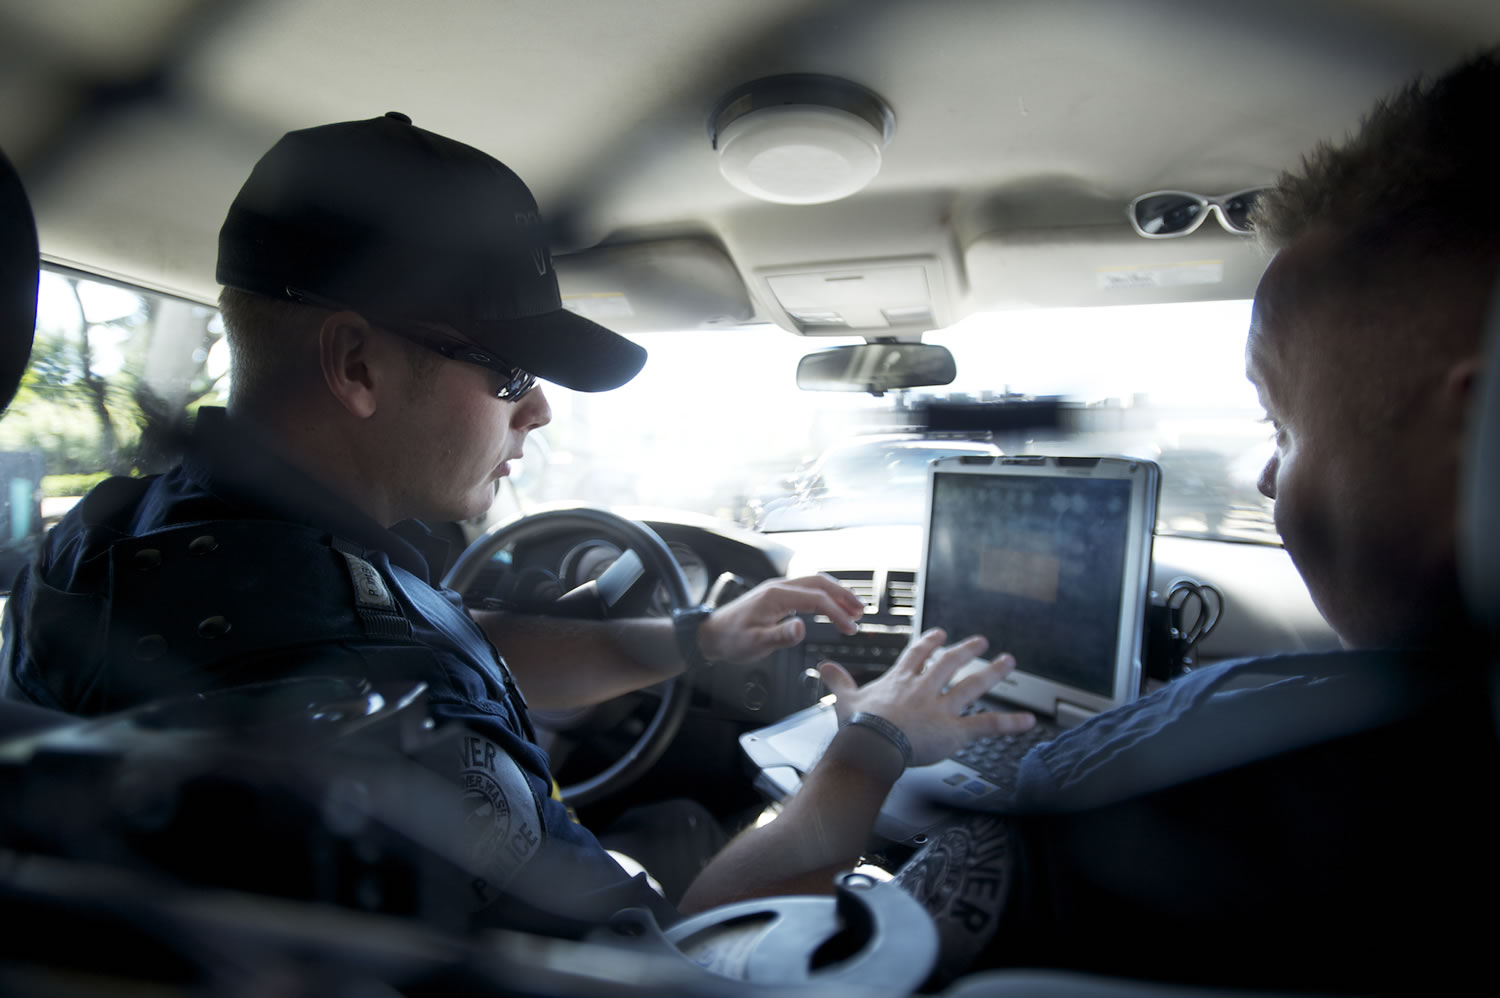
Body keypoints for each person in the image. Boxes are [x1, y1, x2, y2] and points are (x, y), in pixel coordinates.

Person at [0, 111, 1035, 934]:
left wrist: (698, 637)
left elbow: (445, 639)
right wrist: (877, 741)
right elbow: (658, 956)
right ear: (356, 363)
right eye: (507, 372)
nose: (537, 408)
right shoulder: (391, 735)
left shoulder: (142, 533)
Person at [898, 49, 1500, 993]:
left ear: (1475, 431)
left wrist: (866, 746)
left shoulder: (1148, 792)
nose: (1266, 477)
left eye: (1283, 424)